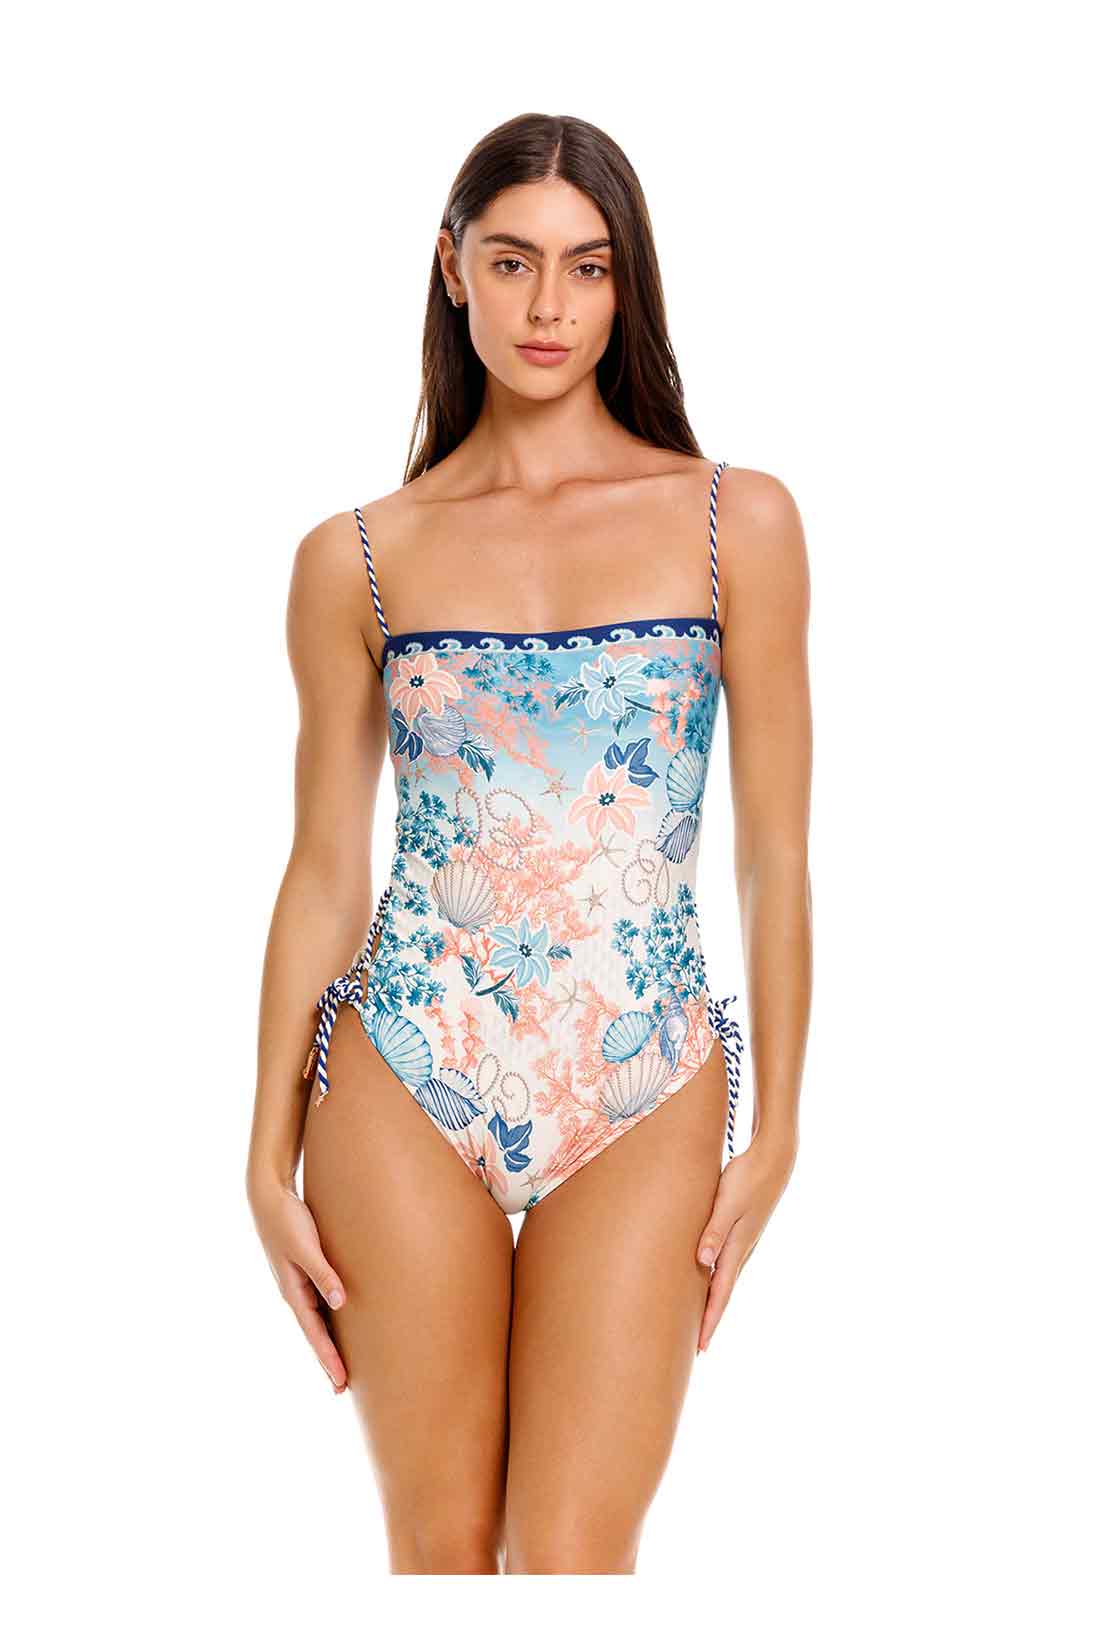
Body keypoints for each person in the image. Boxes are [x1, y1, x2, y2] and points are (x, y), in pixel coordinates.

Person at [246, 112, 812, 1575]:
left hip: (647, 1069)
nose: (549, 306)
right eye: (512, 262)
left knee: (567, 1563)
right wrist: (261, 1153)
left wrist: (782, 1129)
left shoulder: (733, 524)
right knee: (440, 1558)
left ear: (628, 286)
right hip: (405, 1061)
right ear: (453, 270)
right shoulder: (355, 558)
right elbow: (324, 865)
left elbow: (775, 855)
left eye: (587, 267)